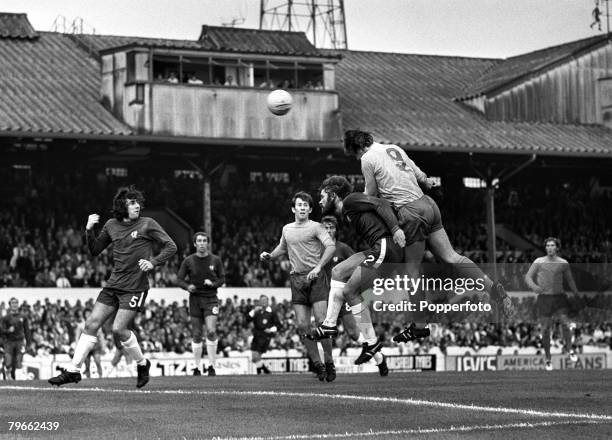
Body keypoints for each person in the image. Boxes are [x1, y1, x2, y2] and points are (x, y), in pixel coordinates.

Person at [343, 130, 513, 320]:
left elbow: (371, 195)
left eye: (354, 154)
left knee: (411, 271)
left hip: (410, 212)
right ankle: (493, 288)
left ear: (356, 148)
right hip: (428, 204)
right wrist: (428, 182)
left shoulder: (367, 159)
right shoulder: (393, 148)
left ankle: (419, 322)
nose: (356, 157)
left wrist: (357, 205)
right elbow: (421, 176)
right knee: (452, 257)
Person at [48, 185, 177, 388]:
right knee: (90, 324)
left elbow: (171, 246)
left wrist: (153, 262)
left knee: (118, 329)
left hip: (135, 287)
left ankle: (142, 364)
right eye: (132, 203)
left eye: (138, 202)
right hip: (113, 285)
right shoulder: (111, 225)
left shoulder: (147, 224)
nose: (137, 206)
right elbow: (95, 250)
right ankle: (74, 370)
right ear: (122, 206)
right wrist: (89, 230)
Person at [313, 176, 430, 365]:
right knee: (338, 272)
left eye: (322, 196)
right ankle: (330, 325)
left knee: (350, 290)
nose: (320, 201)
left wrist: (395, 229)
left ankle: (370, 342)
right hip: (379, 248)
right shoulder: (346, 211)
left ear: (333, 194)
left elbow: (381, 203)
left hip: (386, 247)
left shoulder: (350, 200)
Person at [260, 191, 336, 381]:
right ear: (293, 208)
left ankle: (329, 360)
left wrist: (319, 267)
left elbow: (331, 246)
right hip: (297, 280)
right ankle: (317, 364)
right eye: (299, 205)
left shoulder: (317, 227)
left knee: (321, 322)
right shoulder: (287, 229)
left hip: (316, 278)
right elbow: (283, 248)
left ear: (310, 209)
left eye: (305, 205)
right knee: (303, 325)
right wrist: (270, 255)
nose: (302, 208)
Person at [320, 215, 389, 376]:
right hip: (325, 294)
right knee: (323, 327)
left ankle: (378, 357)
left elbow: (361, 267)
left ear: (336, 230)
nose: (329, 230)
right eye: (326, 228)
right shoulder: (316, 248)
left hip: (343, 293)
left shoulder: (343, 248)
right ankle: (326, 366)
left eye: (331, 227)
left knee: (352, 331)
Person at [524, 237, 579, 371]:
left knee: (566, 324)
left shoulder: (563, 263)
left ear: (557, 248)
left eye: (552, 245)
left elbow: (570, 280)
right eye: (547, 245)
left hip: (559, 297)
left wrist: (577, 294)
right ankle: (548, 359)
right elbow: (528, 277)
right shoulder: (539, 261)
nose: (549, 247)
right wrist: (534, 287)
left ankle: (569, 350)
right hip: (544, 299)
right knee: (546, 330)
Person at [176, 232, 225, 377]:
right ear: (195, 244)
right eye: (199, 241)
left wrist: (213, 283)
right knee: (197, 334)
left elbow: (222, 279)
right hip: (195, 300)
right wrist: (187, 286)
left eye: (204, 240)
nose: (202, 243)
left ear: (208, 243)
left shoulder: (215, 260)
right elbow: (179, 280)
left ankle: (211, 366)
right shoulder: (188, 261)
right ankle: (197, 367)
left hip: (210, 299)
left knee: (210, 331)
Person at [247, 295, 281, 374]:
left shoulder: (272, 312)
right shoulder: (257, 311)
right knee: (253, 358)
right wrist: (253, 311)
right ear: (259, 302)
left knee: (257, 356)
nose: (263, 302)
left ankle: (259, 372)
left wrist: (271, 329)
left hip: (265, 336)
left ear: (267, 302)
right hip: (256, 336)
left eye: (265, 300)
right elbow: (247, 319)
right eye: (261, 301)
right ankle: (265, 370)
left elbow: (279, 325)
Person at [0, 298, 31, 380]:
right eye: (13, 303)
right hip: (9, 342)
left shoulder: (23, 317)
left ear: (18, 304)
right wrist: (8, 331)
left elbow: (27, 330)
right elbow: (1, 331)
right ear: (10, 305)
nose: (15, 304)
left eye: (16, 302)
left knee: (18, 361)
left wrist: (29, 343)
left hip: (19, 341)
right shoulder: (5, 318)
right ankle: (7, 374)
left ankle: (18, 379)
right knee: (8, 362)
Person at [75, 309, 105, 378]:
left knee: (98, 362)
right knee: (87, 364)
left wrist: (103, 346)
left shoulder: (97, 324)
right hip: (85, 347)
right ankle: (89, 379)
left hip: (95, 346)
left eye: (89, 313)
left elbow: (101, 336)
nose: (88, 315)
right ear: (84, 315)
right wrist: (77, 347)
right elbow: (77, 337)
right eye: (86, 313)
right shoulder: (81, 325)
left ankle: (101, 376)